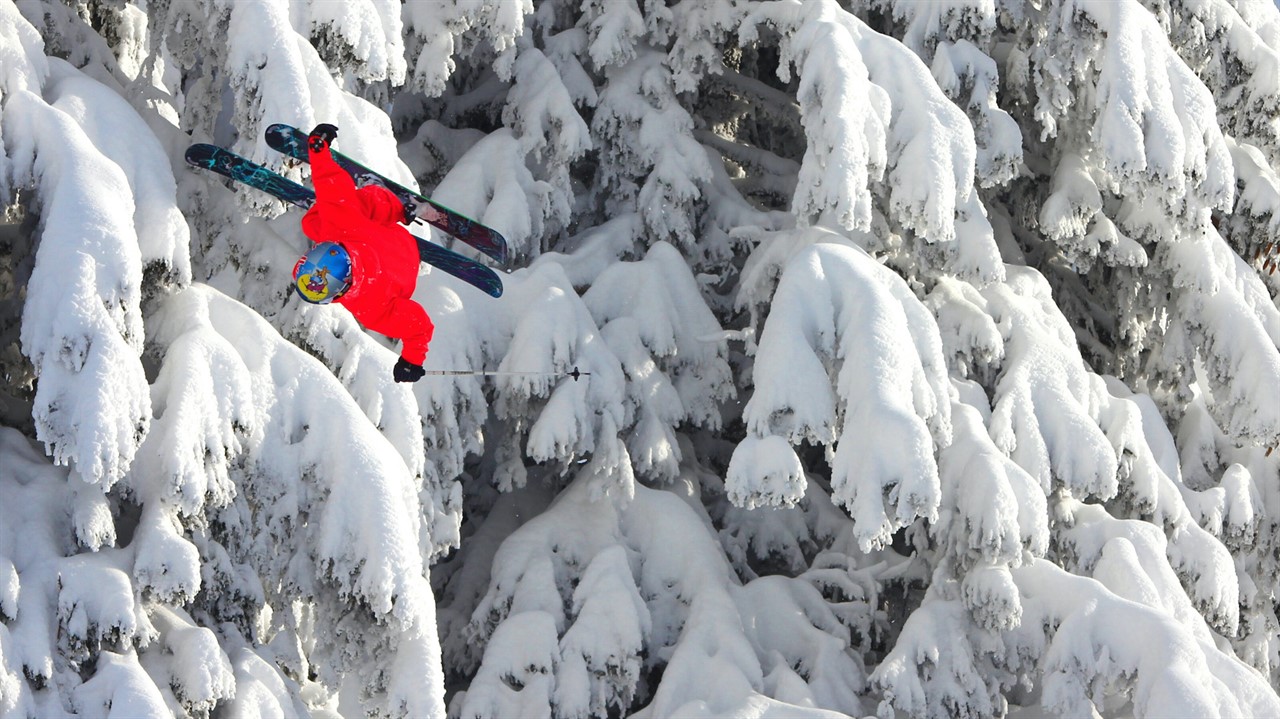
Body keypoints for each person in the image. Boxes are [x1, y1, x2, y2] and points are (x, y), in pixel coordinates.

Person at [292, 123, 432, 383]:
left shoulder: (368, 308)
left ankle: (326, 209)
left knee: (324, 216)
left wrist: (412, 360)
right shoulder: (342, 226)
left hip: (408, 263)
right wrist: (318, 149)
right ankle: (395, 204)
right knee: (337, 210)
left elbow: (419, 326)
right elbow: (330, 182)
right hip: (391, 236)